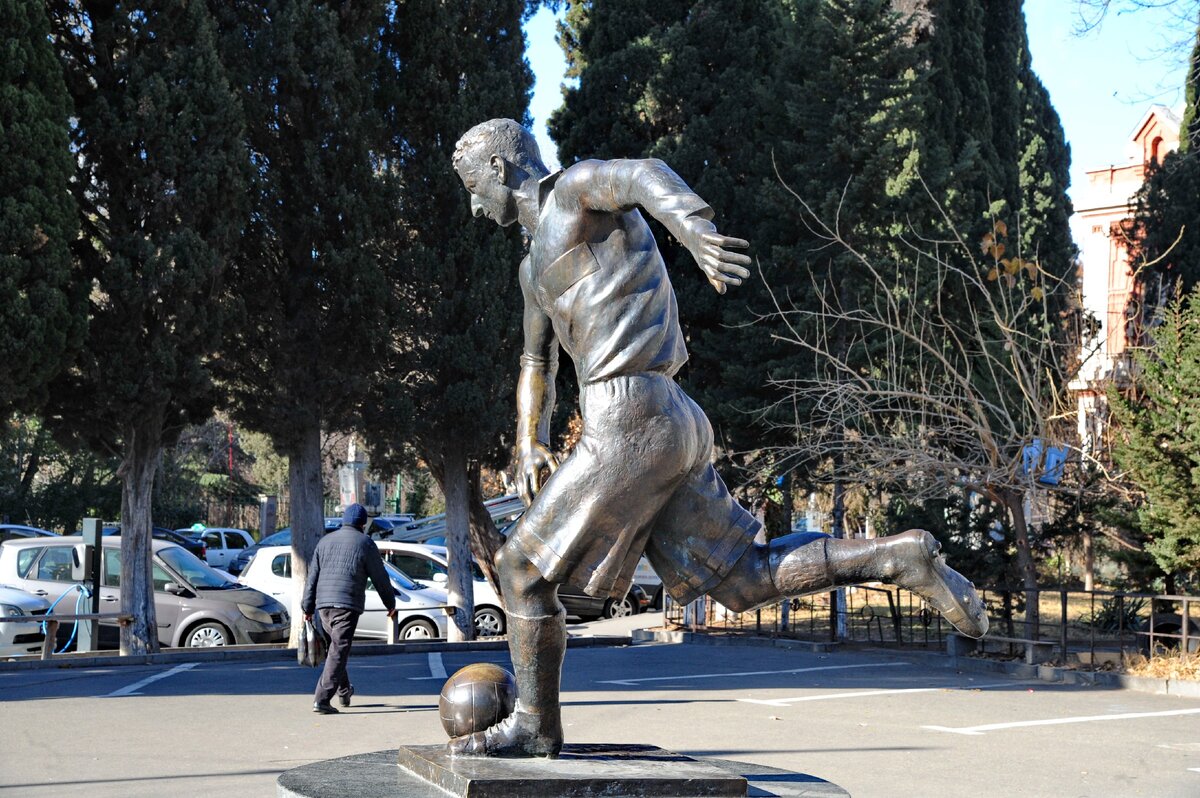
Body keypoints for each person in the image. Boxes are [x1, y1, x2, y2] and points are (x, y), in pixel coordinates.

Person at [450, 119, 989, 757]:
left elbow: (643, 175)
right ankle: (896, 557)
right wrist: (528, 436)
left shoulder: (572, 191)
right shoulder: (531, 268)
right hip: (665, 421)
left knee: (519, 571)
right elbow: (535, 363)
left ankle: (536, 726)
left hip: (629, 415)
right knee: (740, 583)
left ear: (499, 168)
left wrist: (693, 230)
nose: (473, 205)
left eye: (471, 186)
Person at [301, 503, 397, 714]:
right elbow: (380, 578)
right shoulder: (365, 543)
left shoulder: (324, 542)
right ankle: (322, 699)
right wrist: (390, 604)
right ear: (363, 524)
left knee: (335, 650)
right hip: (346, 604)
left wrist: (307, 607)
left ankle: (344, 692)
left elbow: (312, 578)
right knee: (337, 651)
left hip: (323, 605)